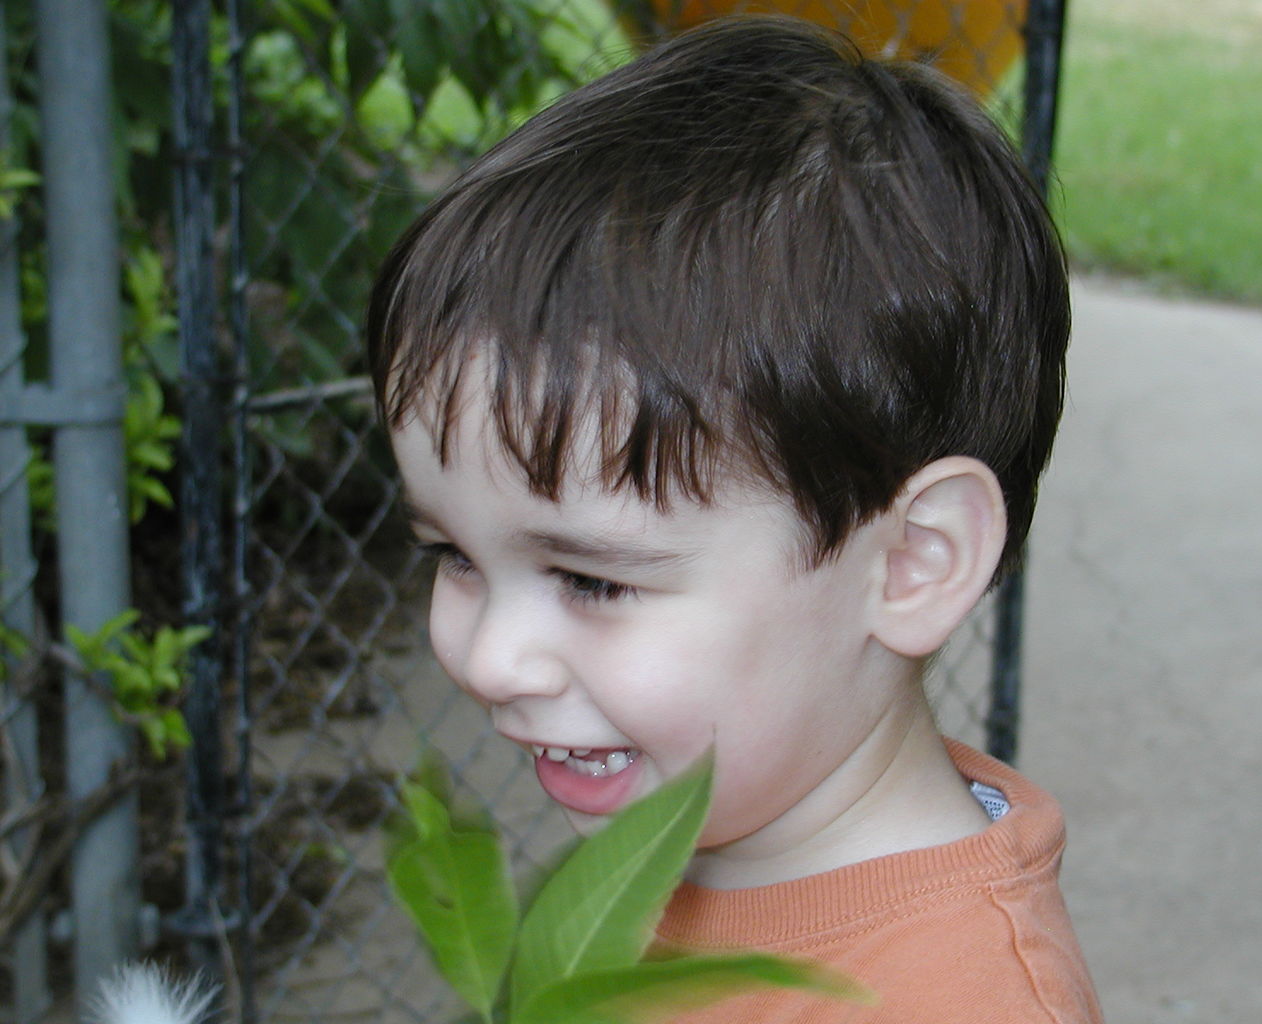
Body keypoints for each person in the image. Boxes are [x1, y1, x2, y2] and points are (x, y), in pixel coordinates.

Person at [368, 16, 1102, 1023]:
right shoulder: (698, 841)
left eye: (592, 579)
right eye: (451, 552)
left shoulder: (952, 1000)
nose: (488, 659)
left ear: (913, 562)